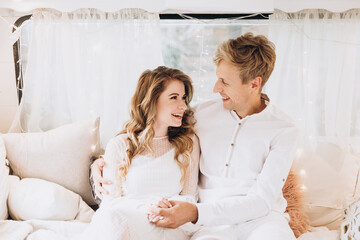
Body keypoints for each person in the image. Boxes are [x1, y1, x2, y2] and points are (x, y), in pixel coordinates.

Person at [92, 33, 299, 240]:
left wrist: (194, 212)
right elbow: (155, 127)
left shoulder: (284, 129)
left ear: (254, 84)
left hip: (261, 220)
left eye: (224, 82)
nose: (216, 88)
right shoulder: (200, 115)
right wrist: (102, 162)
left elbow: (262, 201)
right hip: (209, 225)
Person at [47, 66, 199, 240]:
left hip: (169, 224)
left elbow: (189, 197)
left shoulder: (188, 143)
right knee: (112, 219)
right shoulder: (120, 144)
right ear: (152, 101)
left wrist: (168, 209)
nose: (183, 106)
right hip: (129, 221)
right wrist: (149, 207)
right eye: (174, 98)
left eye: (184, 98)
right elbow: (110, 202)